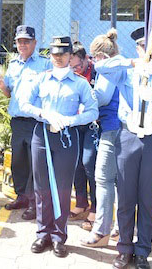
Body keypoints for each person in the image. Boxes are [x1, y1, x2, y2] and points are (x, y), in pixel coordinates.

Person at [95, 27, 152, 269]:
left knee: (147, 198)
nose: (149, 50)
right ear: (137, 48)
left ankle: (143, 250)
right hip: (128, 136)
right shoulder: (125, 72)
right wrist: (131, 62)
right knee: (125, 196)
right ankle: (124, 248)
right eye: (144, 46)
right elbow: (100, 67)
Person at [20, 36, 98, 258]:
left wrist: (71, 120)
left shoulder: (80, 83)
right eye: (54, 54)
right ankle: (42, 233)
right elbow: (24, 103)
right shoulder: (41, 79)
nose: (58, 58)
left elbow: (93, 111)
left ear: (71, 56)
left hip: (67, 137)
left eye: (63, 54)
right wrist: (43, 113)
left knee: (63, 188)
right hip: (42, 134)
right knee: (42, 186)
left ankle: (58, 236)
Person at [0, 25, 51, 219]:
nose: (23, 45)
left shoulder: (44, 64)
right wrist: (2, 86)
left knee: (36, 165)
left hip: (36, 122)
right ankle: (22, 197)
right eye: (20, 41)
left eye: (27, 41)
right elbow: (9, 93)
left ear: (35, 43)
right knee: (19, 162)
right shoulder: (14, 65)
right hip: (17, 121)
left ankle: (34, 204)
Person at [81, 29, 121, 248]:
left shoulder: (107, 68)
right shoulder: (120, 65)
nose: (93, 62)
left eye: (94, 57)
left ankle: (102, 231)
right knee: (119, 181)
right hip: (120, 128)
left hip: (111, 128)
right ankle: (120, 229)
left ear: (99, 55)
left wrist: (83, 97)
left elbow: (102, 97)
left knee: (103, 179)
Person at [68, 42, 98, 228]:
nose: (75, 70)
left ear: (86, 59)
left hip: (93, 124)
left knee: (89, 163)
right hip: (75, 122)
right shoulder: (69, 73)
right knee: (75, 162)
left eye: (78, 66)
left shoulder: (97, 73)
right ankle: (81, 203)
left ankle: (95, 207)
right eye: (71, 67)